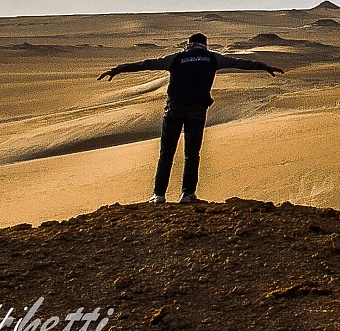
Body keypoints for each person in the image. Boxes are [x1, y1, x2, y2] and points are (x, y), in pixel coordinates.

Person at [98, 33, 284, 203]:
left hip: (174, 110)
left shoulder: (176, 58)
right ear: (205, 45)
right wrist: (264, 67)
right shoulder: (213, 58)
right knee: (192, 154)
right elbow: (240, 63)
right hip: (197, 111)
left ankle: (158, 195)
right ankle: (187, 194)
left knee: (166, 153)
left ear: (188, 44)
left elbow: (146, 64)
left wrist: (118, 69)